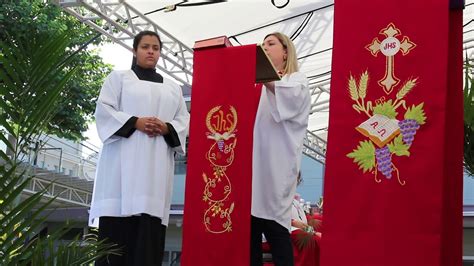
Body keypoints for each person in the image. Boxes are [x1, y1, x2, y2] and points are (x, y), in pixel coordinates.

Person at [89, 30, 190, 266]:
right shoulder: (119, 78)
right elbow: (104, 112)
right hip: (119, 176)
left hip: (154, 178)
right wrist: (136, 122)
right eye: (145, 47)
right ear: (135, 51)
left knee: (148, 241)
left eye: (155, 48)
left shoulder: (172, 88)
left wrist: (166, 127)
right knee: (115, 241)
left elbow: (183, 120)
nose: (151, 51)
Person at [251, 32, 311, 266]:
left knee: (276, 228)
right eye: (263, 44)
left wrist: (264, 76)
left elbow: (292, 98)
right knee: (251, 230)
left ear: (285, 52)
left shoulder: (297, 80)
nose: (265, 47)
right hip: (254, 165)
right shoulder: (258, 88)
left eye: (271, 44)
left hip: (278, 166)